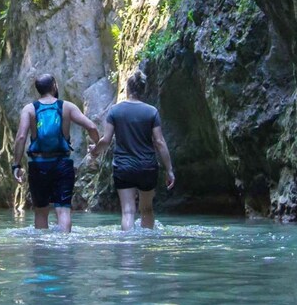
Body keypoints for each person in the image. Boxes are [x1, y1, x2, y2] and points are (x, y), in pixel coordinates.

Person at [11, 73, 100, 232]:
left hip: (38, 166)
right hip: (62, 164)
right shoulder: (67, 107)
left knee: (41, 212)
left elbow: (21, 137)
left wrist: (16, 164)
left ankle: (42, 251)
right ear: (54, 86)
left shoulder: (30, 109)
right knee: (63, 210)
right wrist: (96, 148)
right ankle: (64, 246)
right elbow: (92, 127)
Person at [90, 70, 174, 230]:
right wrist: (169, 170)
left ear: (127, 89)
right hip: (147, 166)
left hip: (123, 167)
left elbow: (106, 140)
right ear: (143, 90)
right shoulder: (151, 112)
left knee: (128, 212)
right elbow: (159, 142)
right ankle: (146, 250)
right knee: (147, 210)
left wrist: (94, 151)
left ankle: (127, 251)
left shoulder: (115, 111)